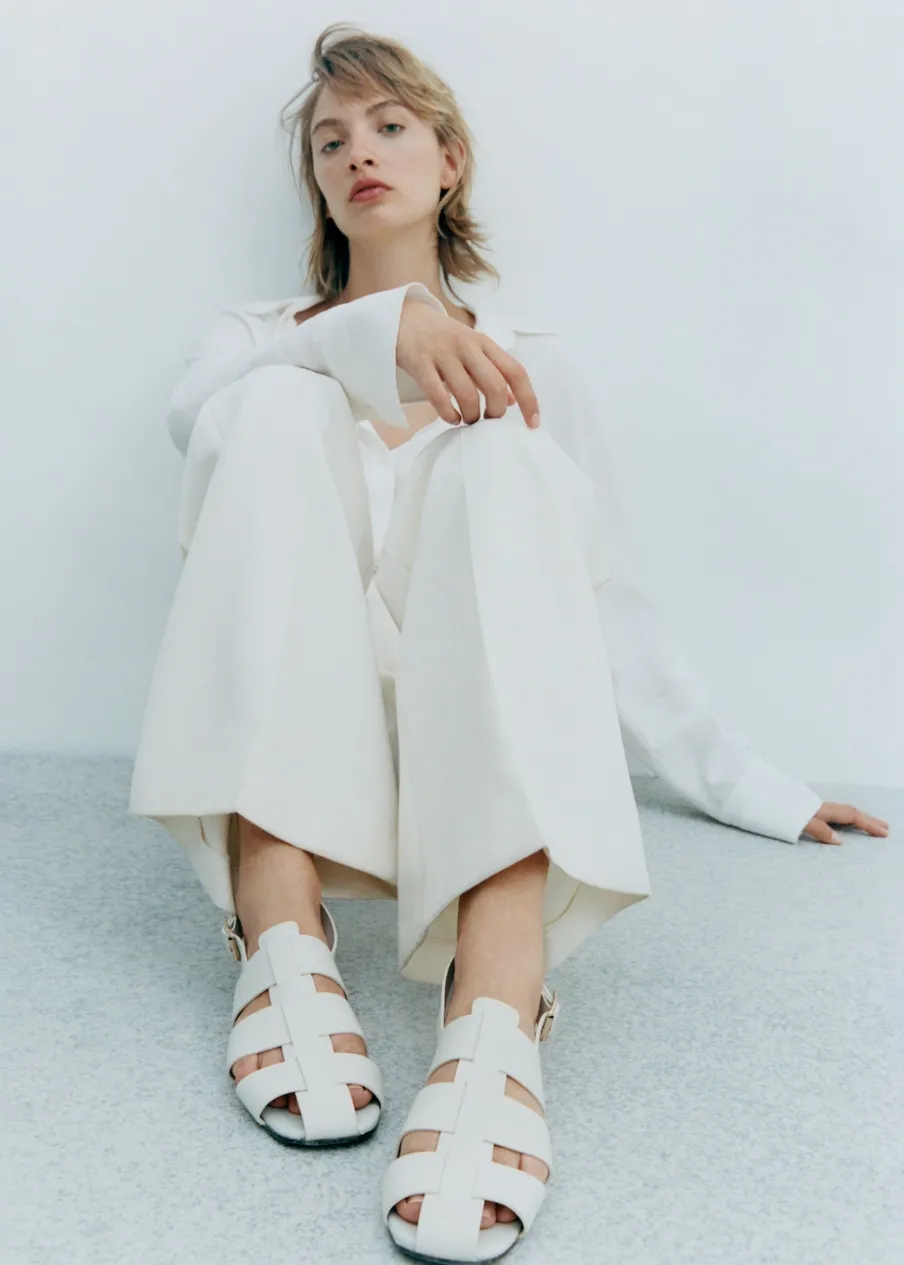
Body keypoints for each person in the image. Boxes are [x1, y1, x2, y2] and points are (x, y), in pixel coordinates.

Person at [127, 21, 891, 1265]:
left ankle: (496, 987)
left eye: (389, 127)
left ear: (449, 161)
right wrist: (363, 336)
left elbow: (603, 598)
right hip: (294, 763)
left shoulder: (530, 363)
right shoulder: (255, 338)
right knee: (267, 402)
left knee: (503, 452)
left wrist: (753, 785)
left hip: (477, 762)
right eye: (330, 140)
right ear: (316, 180)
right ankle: (277, 924)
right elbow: (190, 426)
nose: (358, 153)